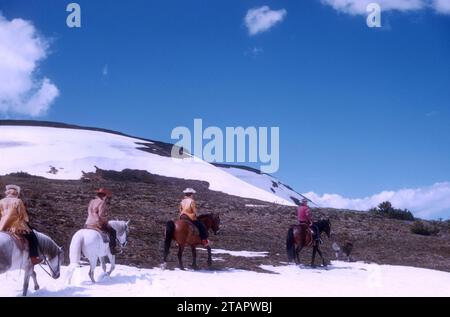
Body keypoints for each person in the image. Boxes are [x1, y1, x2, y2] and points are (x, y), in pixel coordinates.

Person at [0, 185, 42, 265]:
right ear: (16, 193)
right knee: (33, 238)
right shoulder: (18, 201)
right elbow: (23, 215)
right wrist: (27, 222)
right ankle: (33, 258)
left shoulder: (1, 201)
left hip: (2, 226)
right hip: (16, 226)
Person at [85, 188, 117, 254]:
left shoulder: (92, 201)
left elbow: (89, 212)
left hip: (88, 223)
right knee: (113, 232)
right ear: (104, 196)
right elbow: (101, 215)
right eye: (106, 196)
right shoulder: (102, 202)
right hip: (97, 223)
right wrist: (106, 222)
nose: (106, 198)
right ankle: (112, 249)